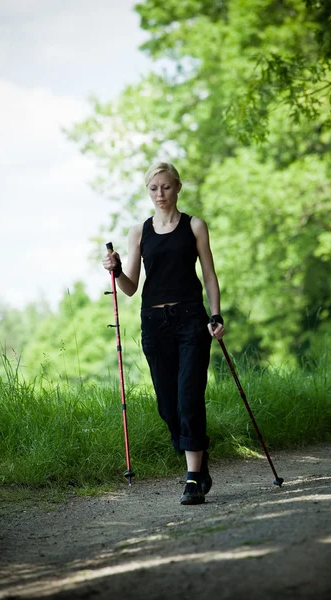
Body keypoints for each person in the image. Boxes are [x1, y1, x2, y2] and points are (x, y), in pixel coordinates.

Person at [103, 161, 225, 505]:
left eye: (167, 187)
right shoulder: (139, 232)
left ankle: (190, 479)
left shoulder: (195, 226)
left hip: (191, 320)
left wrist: (215, 314)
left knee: (189, 396)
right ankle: (198, 455)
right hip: (155, 325)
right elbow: (129, 287)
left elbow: (210, 275)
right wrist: (114, 271)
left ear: (178, 187)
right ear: (148, 191)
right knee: (168, 407)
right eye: (154, 188)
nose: (161, 194)